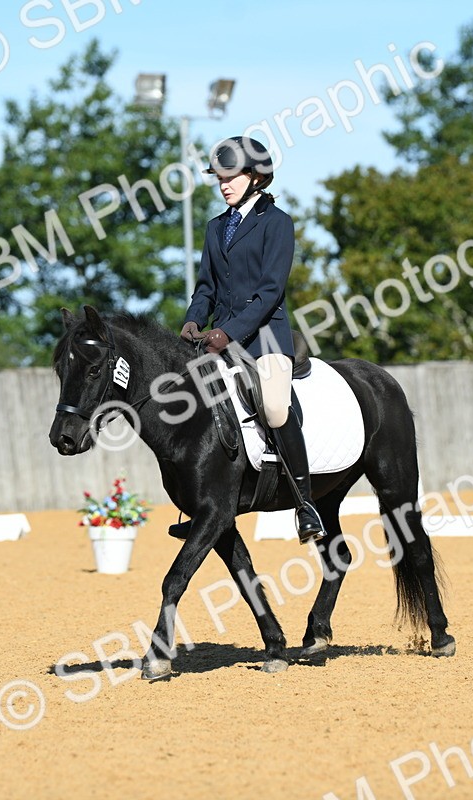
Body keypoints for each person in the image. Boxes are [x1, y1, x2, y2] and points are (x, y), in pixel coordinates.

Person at [179, 136, 325, 543]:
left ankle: (306, 504)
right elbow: (205, 287)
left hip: (263, 338)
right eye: (219, 178)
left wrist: (229, 332)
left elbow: (269, 291)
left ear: (256, 176)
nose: (223, 184)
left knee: (275, 407)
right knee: (189, 400)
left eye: (231, 176)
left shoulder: (276, 222)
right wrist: (193, 321)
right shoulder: (214, 227)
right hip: (218, 338)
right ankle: (196, 503)